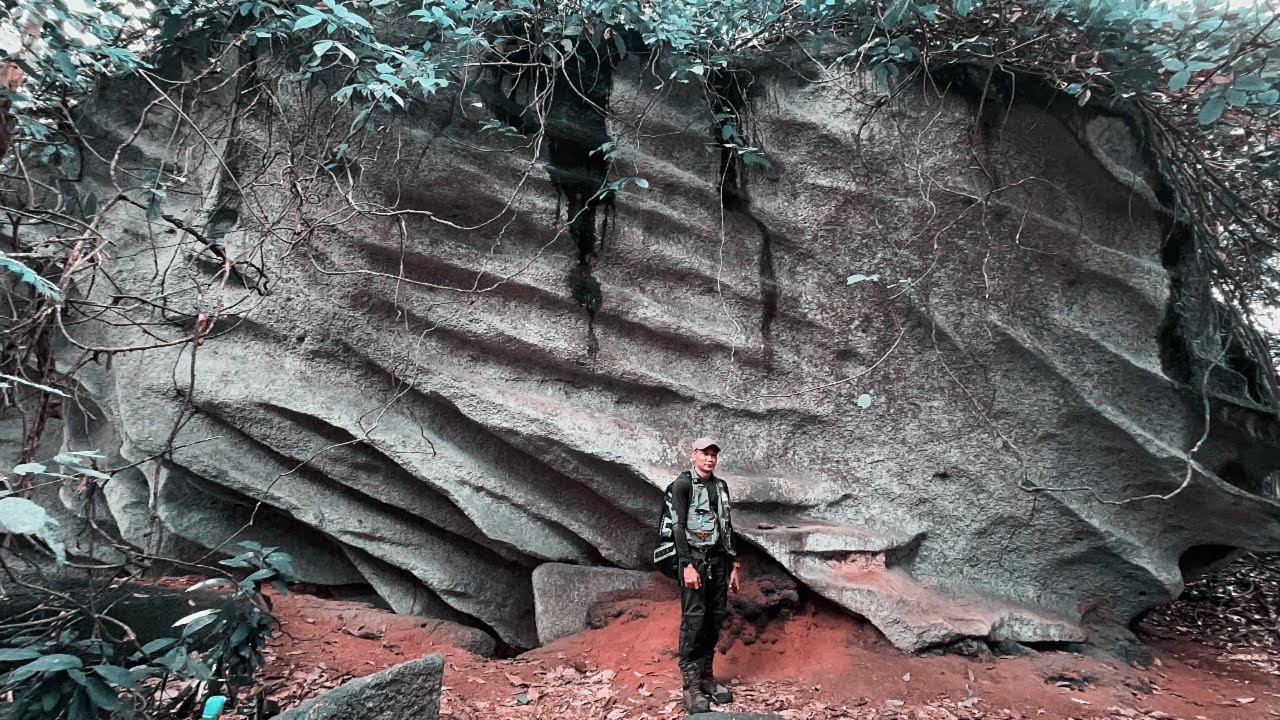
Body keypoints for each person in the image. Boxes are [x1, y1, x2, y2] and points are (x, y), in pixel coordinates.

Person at [665, 436, 741, 713]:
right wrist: (686, 565)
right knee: (694, 622)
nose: (710, 459)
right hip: (694, 560)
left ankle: (707, 678)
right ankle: (691, 687)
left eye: (713, 454)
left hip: (719, 560)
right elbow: (678, 526)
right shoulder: (682, 485)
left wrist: (734, 564)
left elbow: (727, 526)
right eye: (705, 453)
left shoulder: (721, 487)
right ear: (693, 455)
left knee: (714, 619)